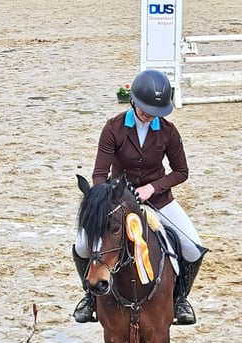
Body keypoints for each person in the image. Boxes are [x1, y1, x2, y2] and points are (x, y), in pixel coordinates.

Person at [71, 69, 207, 325]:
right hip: (117, 200)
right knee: (81, 245)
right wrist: (108, 199)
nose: (148, 114)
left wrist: (152, 188)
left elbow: (181, 171)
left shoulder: (168, 132)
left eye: (154, 111)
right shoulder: (113, 128)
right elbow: (99, 174)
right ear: (133, 100)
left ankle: (179, 299)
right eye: (145, 108)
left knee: (192, 246)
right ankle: (90, 297)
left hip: (158, 200)